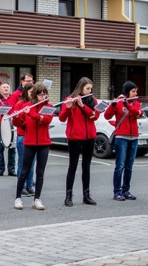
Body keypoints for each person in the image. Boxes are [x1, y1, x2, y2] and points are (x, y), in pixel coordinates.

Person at [58, 77, 99, 207]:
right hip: (75, 138)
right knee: (73, 166)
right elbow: (61, 118)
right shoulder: (69, 99)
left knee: (86, 167)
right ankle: (68, 196)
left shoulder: (92, 100)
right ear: (80, 88)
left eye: (90, 89)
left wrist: (83, 106)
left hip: (90, 137)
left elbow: (95, 116)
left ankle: (86, 195)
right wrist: (68, 108)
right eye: (87, 88)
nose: (89, 91)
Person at [14, 82, 53, 211]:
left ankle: (37, 199)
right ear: (35, 95)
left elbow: (46, 120)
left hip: (44, 143)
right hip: (29, 142)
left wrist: (32, 114)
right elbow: (18, 123)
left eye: (45, 94)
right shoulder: (27, 106)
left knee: (40, 172)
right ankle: (18, 198)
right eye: (40, 95)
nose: (43, 97)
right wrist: (18, 115)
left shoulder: (49, 107)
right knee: (24, 171)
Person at [104, 81, 143, 201]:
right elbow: (107, 116)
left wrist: (128, 105)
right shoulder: (119, 103)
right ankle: (117, 192)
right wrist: (113, 105)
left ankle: (126, 190)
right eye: (133, 91)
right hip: (121, 137)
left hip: (134, 138)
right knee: (120, 166)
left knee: (129, 166)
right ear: (126, 92)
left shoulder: (136, 103)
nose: (135, 93)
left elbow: (137, 114)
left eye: (136, 91)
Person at [11, 82, 36, 197]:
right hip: (23, 135)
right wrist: (18, 117)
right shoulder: (20, 104)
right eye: (30, 92)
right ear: (26, 92)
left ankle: (29, 185)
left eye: (34, 92)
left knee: (32, 163)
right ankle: (21, 186)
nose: (32, 94)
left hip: (34, 136)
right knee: (23, 163)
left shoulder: (36, 104)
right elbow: (17, 122)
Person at [0, 82, 16, 177]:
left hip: (12, 126)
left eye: (8, 87)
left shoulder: (14, 99)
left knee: (12, 149)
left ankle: (12, 170)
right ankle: (0, 170)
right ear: (0, 90)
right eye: (4, 87)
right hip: (0, 127)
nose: (6, 88)